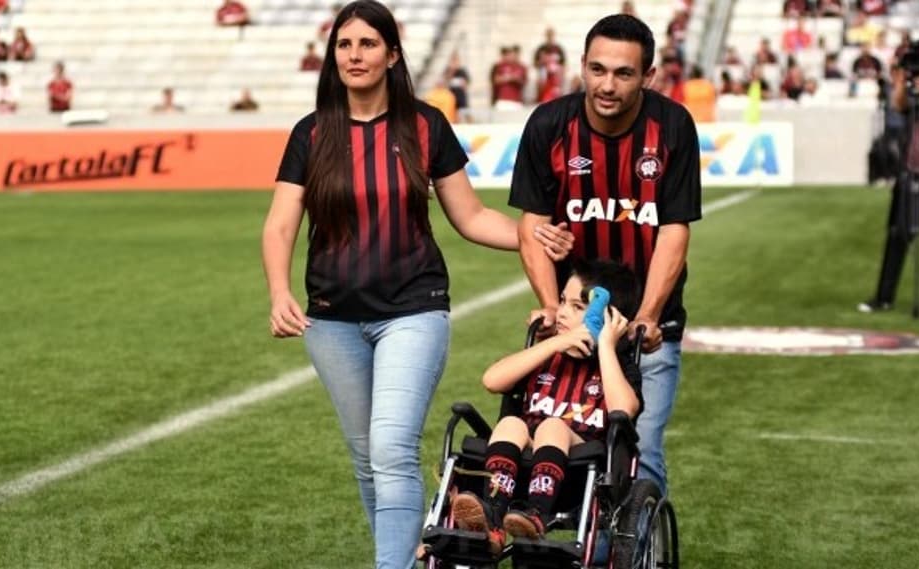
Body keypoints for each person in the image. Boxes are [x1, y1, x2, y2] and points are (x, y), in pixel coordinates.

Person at [261, 3, 573, 568]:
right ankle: (408, 556)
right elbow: (281, 223)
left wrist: (533, 236)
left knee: (391, 449)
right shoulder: (311, 134)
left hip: (413, 309)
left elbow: (472, 217)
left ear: (393, 55)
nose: (355, 55)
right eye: (344, 45)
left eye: (368, 44)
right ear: (333, 57)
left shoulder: (425, 125)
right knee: (367, 459)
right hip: (331, 319)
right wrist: (280, 292)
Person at [508, 13, 702, 497]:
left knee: (641, 450)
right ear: (582, 67)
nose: (607, 85)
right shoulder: (549, 125)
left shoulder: (672, 126)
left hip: (644, 329)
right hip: (569, 323)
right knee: (541, 433)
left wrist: (648, 316)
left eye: (623, 73)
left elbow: (673, 232)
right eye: (597, 70)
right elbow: (531, 227)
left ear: (649, 77)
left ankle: (635, 546)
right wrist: (552, 309)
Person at [448, 259, 642, 553]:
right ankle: (493, 513)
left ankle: (536, 515)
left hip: (581, 463)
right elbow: (492, 380)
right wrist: (553, 344)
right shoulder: (546, 354)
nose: (562, 311)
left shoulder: (616, 365)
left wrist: (605, 345)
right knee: (511, 424)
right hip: (524, 456)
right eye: (563, 301)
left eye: (578, 307)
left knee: (553, 426)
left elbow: (623, 410)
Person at [859, 43, 919, 312]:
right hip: (912, 171)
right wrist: (900, 82)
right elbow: (898, 107)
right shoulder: (911, 91)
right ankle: (884, 297)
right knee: (898, 233)